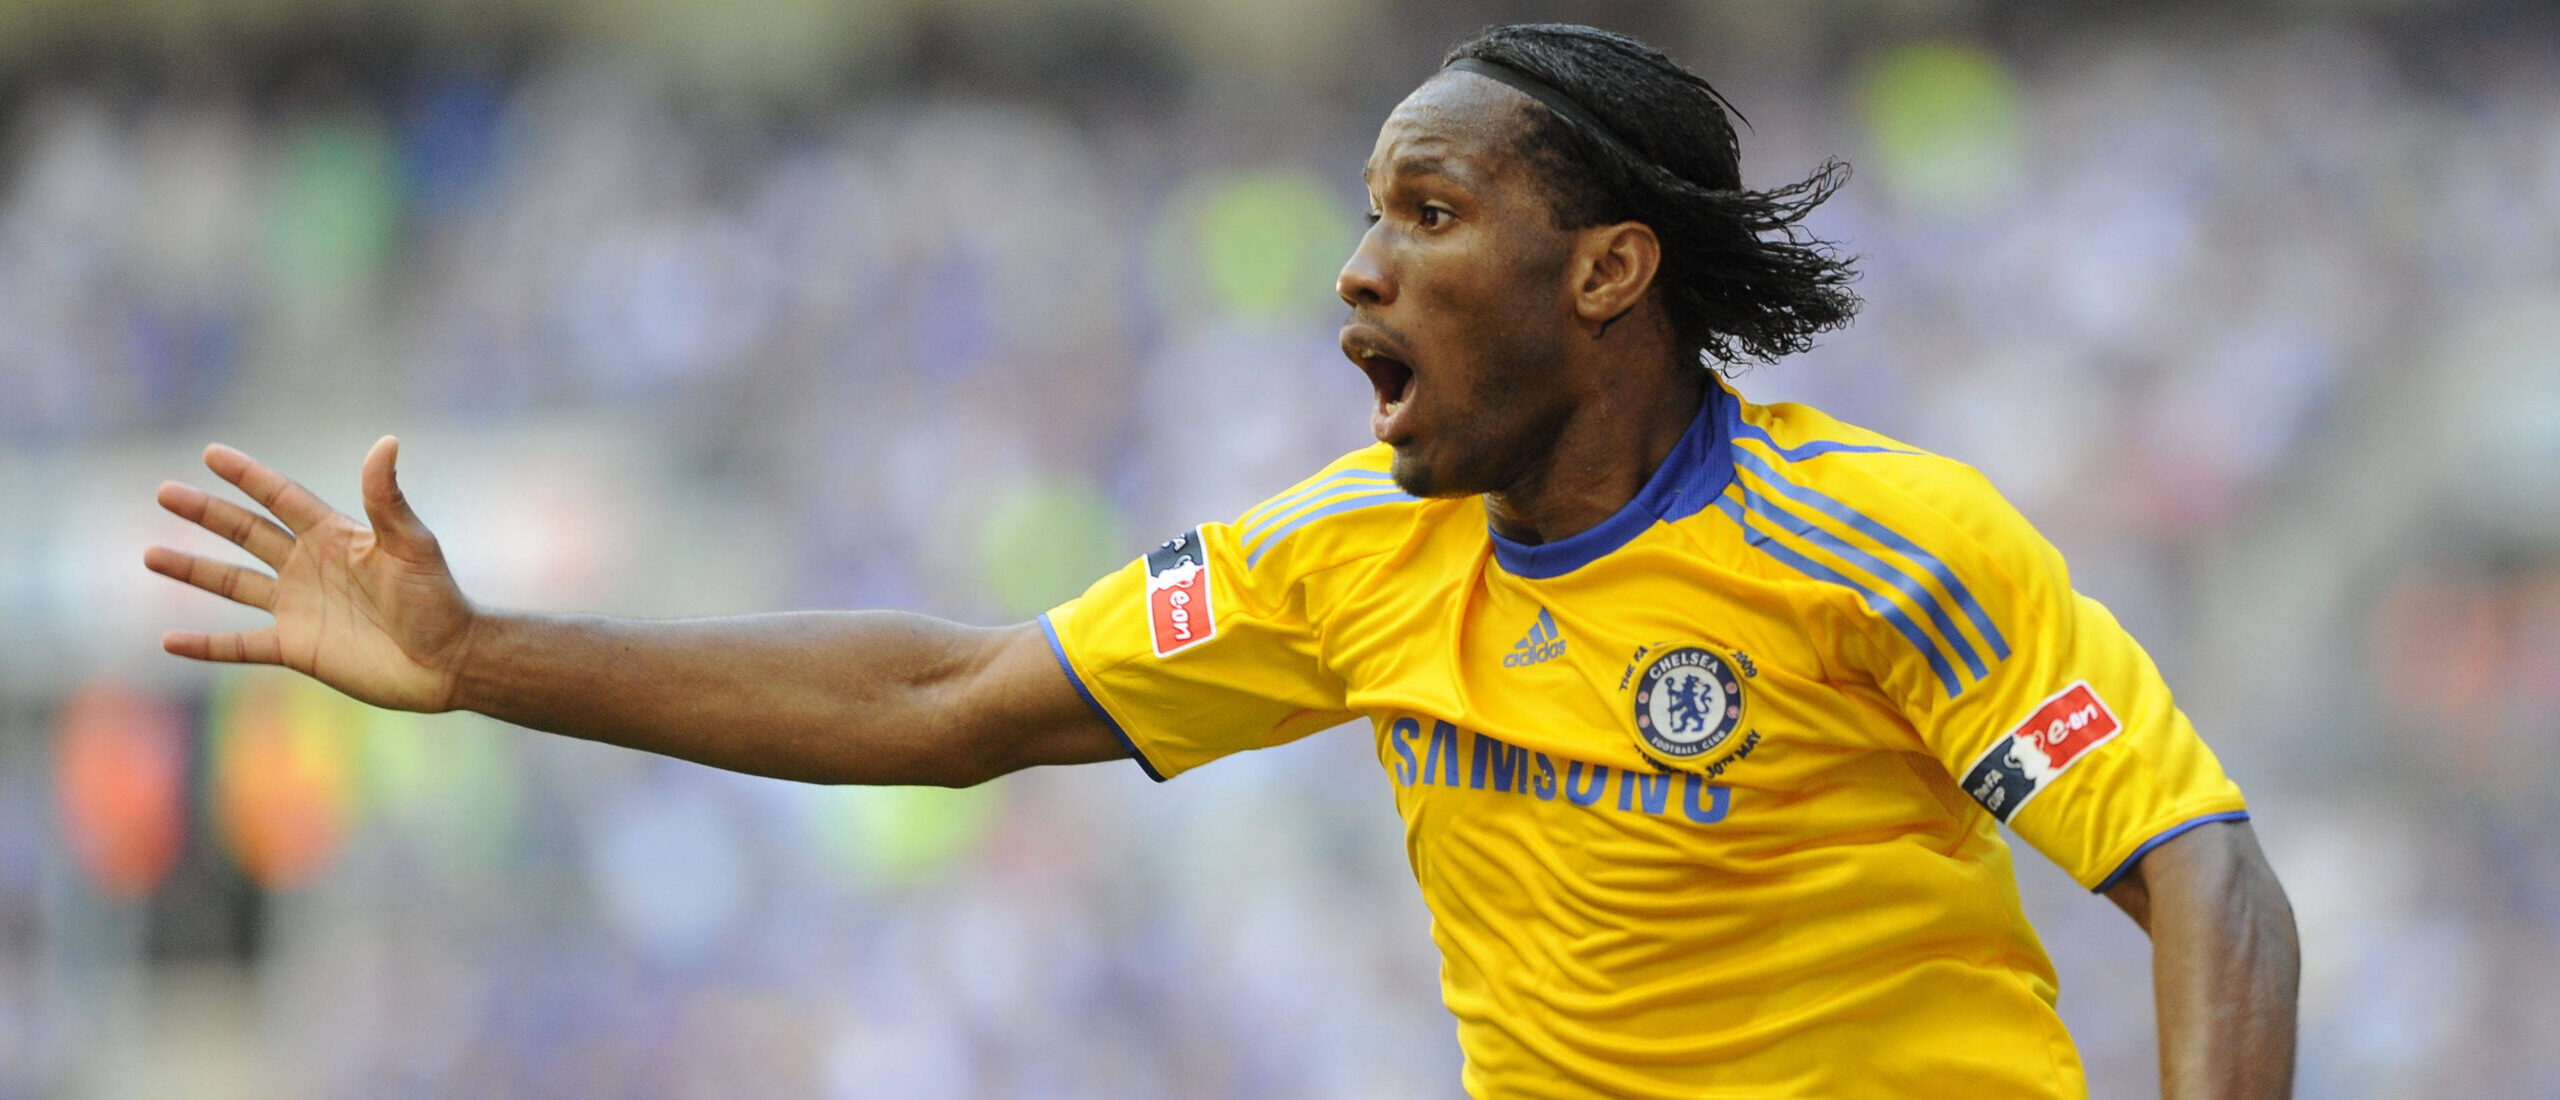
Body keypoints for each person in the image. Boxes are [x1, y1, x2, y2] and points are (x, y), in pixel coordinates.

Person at [144, 23, 2298, 1100]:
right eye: (1364, 219)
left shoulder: (1877, 544)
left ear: (1610, 270)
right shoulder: (1340, 559)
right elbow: (944, 701)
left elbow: (2201, 872)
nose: (1355, 276)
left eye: (1428, 219)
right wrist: (481, 650)